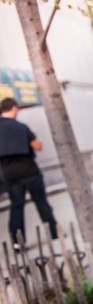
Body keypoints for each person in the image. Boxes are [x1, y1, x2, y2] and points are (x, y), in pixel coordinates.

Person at [0, 98, 58, 249]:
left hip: (10, 174)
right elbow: (37, 146)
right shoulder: (21, 127)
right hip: (30, 171)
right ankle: (53, 233)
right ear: (14, 108)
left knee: (16, 207)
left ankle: (17, 243)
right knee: (41, 202)